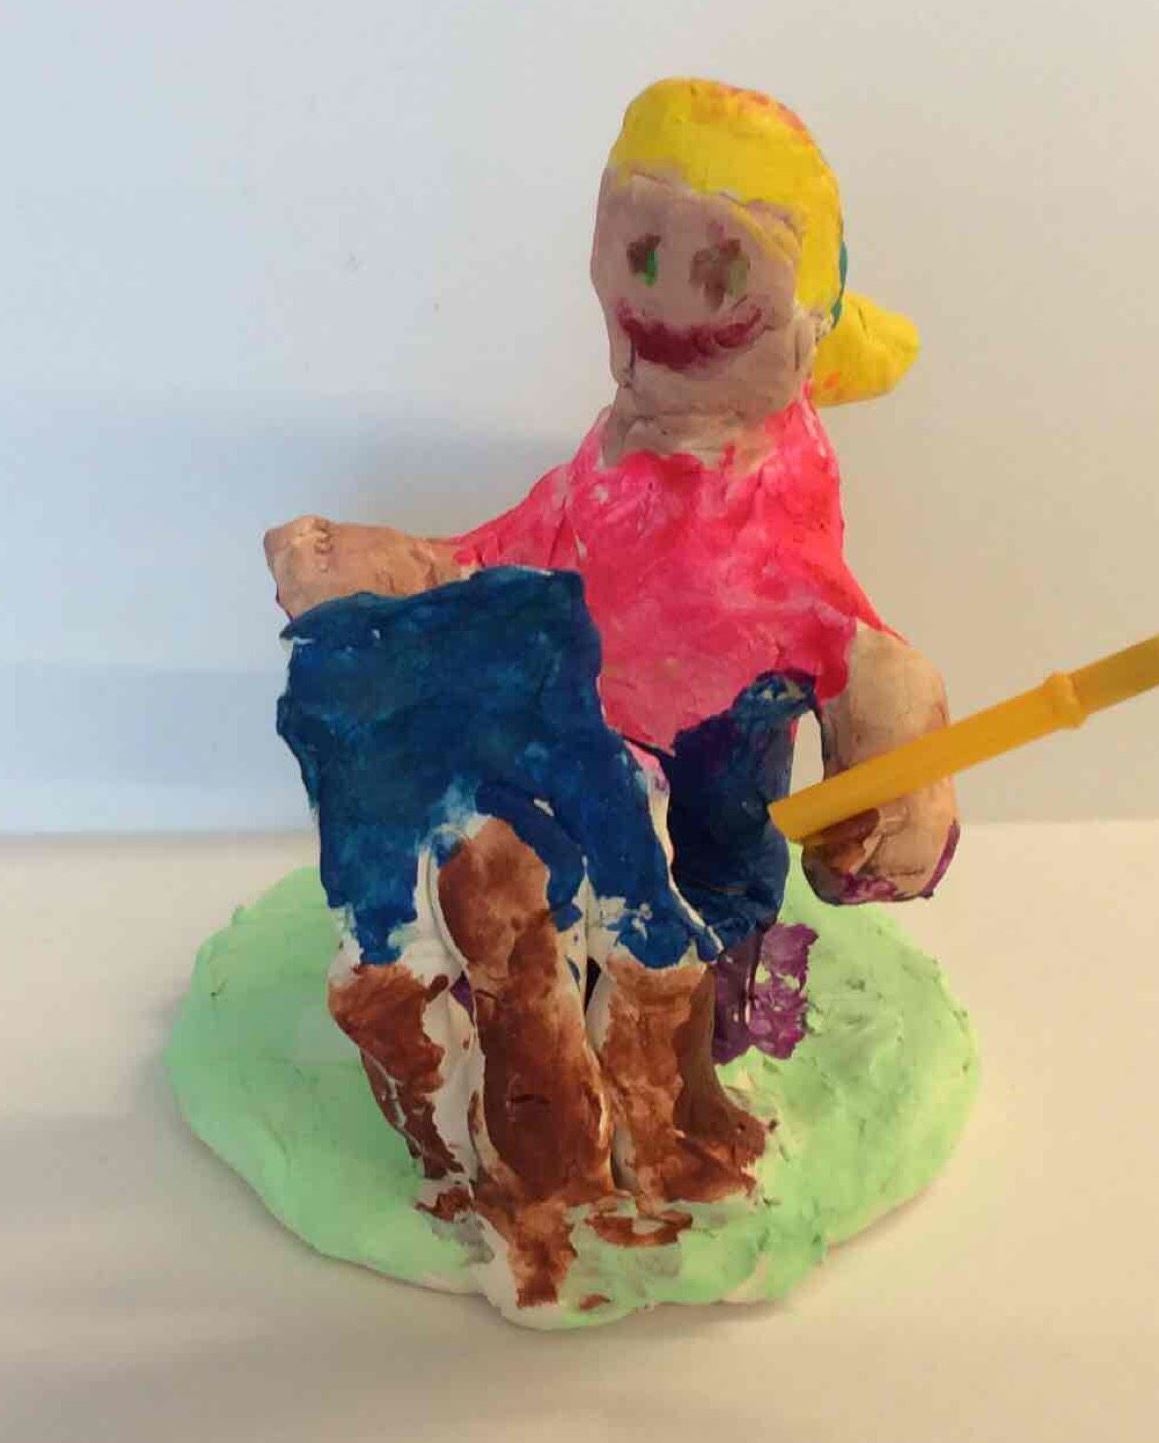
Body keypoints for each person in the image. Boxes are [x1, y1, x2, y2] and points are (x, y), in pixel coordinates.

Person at [266, 79, 959, 1307]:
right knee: (574, 958)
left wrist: (898, 746)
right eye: (641, 255)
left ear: (804, 319)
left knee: (704, 947)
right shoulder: (616, 452)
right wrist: (403, 569)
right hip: (592, 770)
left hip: (715, 788)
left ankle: (684, 1100)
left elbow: (845, 637)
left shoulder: (774, 495)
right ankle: (583, 1104)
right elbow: (524, 550)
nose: (668, 299)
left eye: (719, 271)